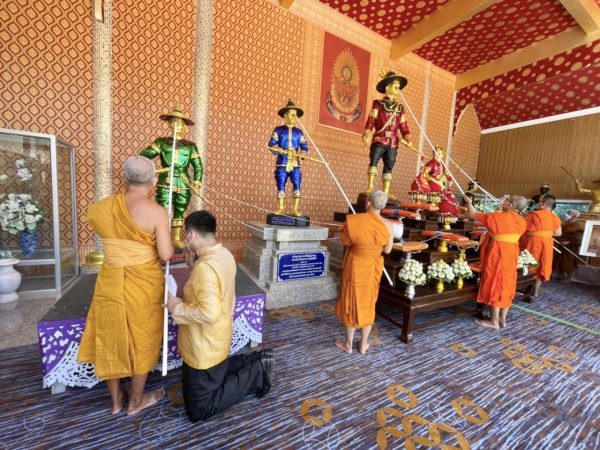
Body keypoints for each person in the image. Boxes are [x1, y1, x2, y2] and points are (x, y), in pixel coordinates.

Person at [78, 156, 175, 415]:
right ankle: (135, 401)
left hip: (110, 281)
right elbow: (165, 254)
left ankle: (115, 401)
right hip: (144, 283)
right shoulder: (156, 212)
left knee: (111, 335)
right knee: (143, 337)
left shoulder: (101, 208)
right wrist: (167, 224)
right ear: (153, 181)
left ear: (125, 178)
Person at [166, 211, 274, 422]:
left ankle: (258, 371)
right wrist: (193, 265)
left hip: (204, 346)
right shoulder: (223, 254)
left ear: (191, 235)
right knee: (211, 376)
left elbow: (209, 312)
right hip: (218, 338)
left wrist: (176, 307)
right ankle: (256, 359)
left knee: (199, 410)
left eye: (185, 234)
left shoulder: (205, 266)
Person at [335, 190, 393, 354]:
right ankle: (363, 345)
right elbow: (387, 250)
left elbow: (346, 241)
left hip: (355, 265)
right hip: (372, 266)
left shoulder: (355, 220)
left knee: (351, 300)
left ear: (368, 202)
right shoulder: (388, 225)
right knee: (368, 301)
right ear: (383, 206)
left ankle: (348, 344)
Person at [141, 104, 203, 248]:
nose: (177, 125)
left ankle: (176, 238)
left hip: (183, 181)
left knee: (180, 210)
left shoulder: (190, 146)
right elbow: (144, 155)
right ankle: (162, 239)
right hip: (165, 180)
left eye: (180, 123)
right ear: (169, 123)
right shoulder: (162, 142)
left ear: (184, 126)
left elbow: (198, 166)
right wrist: (155, 169)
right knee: (163, 210)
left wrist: (197, 182)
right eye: (174, 122)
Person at [464, 194, 527, 329]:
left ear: (510, 205)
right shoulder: (522, 221)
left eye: (507, 200)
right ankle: (502, 320)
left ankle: (493, 322)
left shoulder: (496, 217)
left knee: (495, 283)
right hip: (511, 254)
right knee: (507, 284)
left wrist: (469, 202)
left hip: (498, 253)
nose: (503, 200)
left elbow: (472, 214)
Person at [363, 70, 412, 198]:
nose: (398, 88)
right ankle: (370, 187)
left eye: (398, 86)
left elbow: (404, 126)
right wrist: (367, 133)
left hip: (393, 142)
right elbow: (371, 121)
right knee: (374, 162)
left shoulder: (400, 108)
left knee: (389, 166)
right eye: (395, 85)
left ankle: (386, 191)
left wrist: (408, 137)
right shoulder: (378, 104)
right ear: (387, 87)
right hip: (380, 139)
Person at [267, 99, 309, 217]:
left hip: (295, 163)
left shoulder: (299, 132)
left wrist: (303, 153)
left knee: (297, 183)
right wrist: (277, 149)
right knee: (281, 184)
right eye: (292, 114)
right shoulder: (278, 130)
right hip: (282, 161)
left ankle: (295, 209)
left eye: (296, 115)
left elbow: (304, 146)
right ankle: (281, 208)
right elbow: (271, 144)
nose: (295, 117)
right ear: (285, 115)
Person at [520, 195, 562, 297]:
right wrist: (545, 233)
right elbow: (558, 233)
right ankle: (535, 292)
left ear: (542, 204)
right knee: (540, 268)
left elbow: (520, 228)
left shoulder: (532, 215)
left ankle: (523, 288)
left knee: (528, 266)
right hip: (546, 244)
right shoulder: (555, 217)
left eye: (539, 202)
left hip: (532, 243)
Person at [554, 210, 585, 283]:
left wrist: (568, 241)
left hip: (571, 246)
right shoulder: (565, 223)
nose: (567, 214)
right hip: (561, 245)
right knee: (561, 261)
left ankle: (568, 278)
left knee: (568, 262)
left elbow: (579, 237)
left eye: (569, 214)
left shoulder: (578, 225)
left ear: (574, 216)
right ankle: (563, 275)